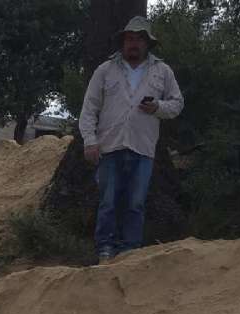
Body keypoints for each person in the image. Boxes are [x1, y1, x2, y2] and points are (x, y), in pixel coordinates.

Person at [80, 16, 184, 263]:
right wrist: (89, 141)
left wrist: (157, 106)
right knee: (108, 202)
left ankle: (130, 251)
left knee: (135, 203)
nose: (133, 44)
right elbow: (89, 108)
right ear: (122, 42)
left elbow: (177, 104)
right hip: (110, 145)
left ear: (147, 43)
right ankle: (105, 249)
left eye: (138, 39)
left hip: (143, 148)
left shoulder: (162, 71)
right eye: (129, 39)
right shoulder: (105, 70)